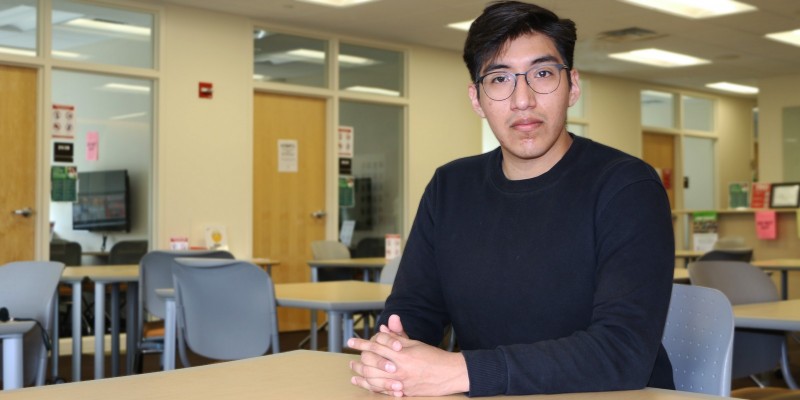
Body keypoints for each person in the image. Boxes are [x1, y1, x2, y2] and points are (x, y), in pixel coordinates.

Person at [347, 1, 675, 397]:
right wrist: (391, 356)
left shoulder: (626, 187)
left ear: (572, 86)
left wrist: (462, 371)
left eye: (542, 74)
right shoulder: (450, 187)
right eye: (499, 79)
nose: (523, 100)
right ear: (476, 99)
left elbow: (622, 351)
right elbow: (413, 311)